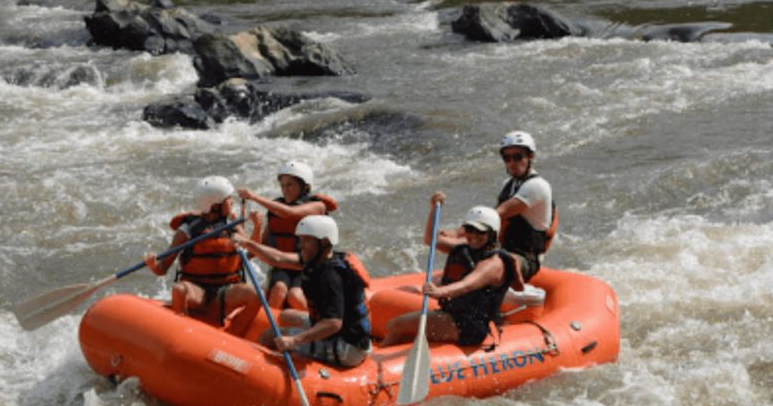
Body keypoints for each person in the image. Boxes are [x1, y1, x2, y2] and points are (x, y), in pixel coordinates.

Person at [380, 198, 521, 348]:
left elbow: (466, 285)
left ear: (492, 234)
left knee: (396, 325)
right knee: (396, 327)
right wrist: (434, 208)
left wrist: (439, 291)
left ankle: (377, 362)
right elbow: (430, 240)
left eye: (480, 231)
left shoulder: (493, 264)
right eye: (469, 229)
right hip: (453, 315)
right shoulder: (465, 248)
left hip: (471, 326)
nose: (473, 235)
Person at [235, 215, 371, 367]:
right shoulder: (321, 258)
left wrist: (294, 340)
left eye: (307, 240)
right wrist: (247, 244)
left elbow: (333, 323)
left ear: (324, 241)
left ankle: (257, 371)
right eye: (301, 239)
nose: (301, 245)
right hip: (341, 332)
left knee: (270, 336)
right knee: (287, 315)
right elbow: (278, 258)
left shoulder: (331, 277)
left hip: (346, 347)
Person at [144, 175, 262, 337]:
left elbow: (253, 252)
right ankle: (182, 334)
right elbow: (162, 269)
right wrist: (153, 265)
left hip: (226, 291)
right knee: (179, 289)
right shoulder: (187, 230)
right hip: (198, 292)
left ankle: (234, 335)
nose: (233, 202)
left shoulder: (231, 226)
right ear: (215, 205)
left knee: (256, 295)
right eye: (229, 199)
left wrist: (257, 227)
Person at [237, 161, 338, 310]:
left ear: (305, 187)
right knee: (278, 289)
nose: (285, 190)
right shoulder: (275, 210)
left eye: (290, 185)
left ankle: (315, 322)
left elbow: (291, 214)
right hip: (282, 266)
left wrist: (254, 197)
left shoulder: (317, 206)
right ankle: (268, 328)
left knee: (295, 296)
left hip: (308, 266)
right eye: (282, 186)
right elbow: (260, 248)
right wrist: (257, 227)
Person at [495, 130, 556, 282]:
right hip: (507, 250)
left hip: (527, 259)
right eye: (507, 158)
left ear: (530, 156)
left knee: (492, 263)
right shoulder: (508, 185)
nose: (512, 163)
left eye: (517, 157)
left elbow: (498, 214)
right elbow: (498, 225)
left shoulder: (537, 186)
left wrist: (464, 231)